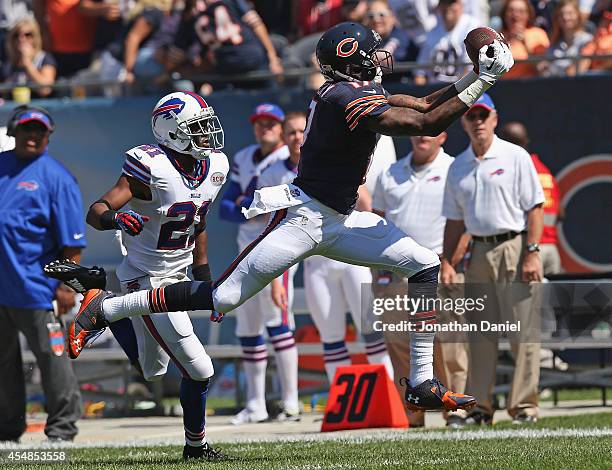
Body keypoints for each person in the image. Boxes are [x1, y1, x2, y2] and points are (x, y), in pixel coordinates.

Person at [54, 21, 514, 413]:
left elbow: (422, 106)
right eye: (371, 53)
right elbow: (424, 124)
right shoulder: (339, 97)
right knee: (223, 298)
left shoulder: (354, 91)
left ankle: (419, 382)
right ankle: (105, 307)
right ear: (350, 59)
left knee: (423, 265)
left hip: (340, 218)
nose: (379, 58)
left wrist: (473, 75)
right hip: (305, 218)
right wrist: (484, 80)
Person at [47, 91, 229, 460]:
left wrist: (203, 274)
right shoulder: (151, 166)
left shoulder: (215, 166)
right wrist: (116, 218)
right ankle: (196, 449)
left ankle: (102, 301)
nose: (207, 135)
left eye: (207, 126)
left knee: (152, 371)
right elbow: (96, 210)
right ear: (171, 131)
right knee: (199, 369)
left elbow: (199, 220)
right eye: (198, 127)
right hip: (144, 277)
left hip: (175, 276)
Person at [441, 94, 545, 425]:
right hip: (478, 252)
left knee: (523, 332)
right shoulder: (458, 165)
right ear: (463, 122)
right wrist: (447, 261)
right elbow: (454, 222)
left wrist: (532, 252)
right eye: (472, 116)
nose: (478, 122)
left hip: (515, 246)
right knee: (480, 334)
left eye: (483, 115)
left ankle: (524, 406)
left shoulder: (515, 156)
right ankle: (481, 407)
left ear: (495, 119)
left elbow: (535, 208)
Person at [372, 132, 470, 428]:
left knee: (448, 343)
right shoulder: (390, 173)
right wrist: (378, 271)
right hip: (400, 269)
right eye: (415, 131)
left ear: (443, 135)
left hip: (442, 267)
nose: (421, 136)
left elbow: (465, 222)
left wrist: (452, 261)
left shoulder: (454, 168)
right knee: (400, 342)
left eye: (429, 130)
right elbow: (377, 221)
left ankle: (455, 411)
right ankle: (413, 412)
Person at [0, 106, 84, 442]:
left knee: (53, 360)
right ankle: (7, 429)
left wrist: (66, 287)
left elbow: (72, 243)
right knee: (3, 365)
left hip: (38, 289)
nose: (32, 136)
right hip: (1, 290)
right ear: (13, 132)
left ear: (49, 136)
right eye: (26, 129)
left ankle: (63, 428)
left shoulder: (57, 178)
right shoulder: (1, 165)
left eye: (40, 131)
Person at [218, 103, 297, 425]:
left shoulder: (285, 159)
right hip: (244, 247)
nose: (264, 126)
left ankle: (291, 401)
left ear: (280, 129)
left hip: (278, 245)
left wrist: (244, 205)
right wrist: (245, 207)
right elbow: (227, 206)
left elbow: (261, 207)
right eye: (259, 122)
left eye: (271, 122)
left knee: (278, 321)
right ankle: (255, 404)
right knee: (247, 324)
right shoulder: (244, 156)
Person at [499, 121, 562, 275]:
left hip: (530, 248)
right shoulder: (544, 171)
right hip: (551, 250)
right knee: (554, 298)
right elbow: (560, 213)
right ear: (526, 141)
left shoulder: (515, 169)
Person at [414, 0, 479, 84]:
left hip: (461, 90)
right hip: (433, 91)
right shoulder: (432, 32)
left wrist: (455, 93)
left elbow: (471, 71)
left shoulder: (471, 27)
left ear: (461, 5)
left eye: (451, 3)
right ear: (438, 7)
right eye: (444, 3)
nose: (448, 7)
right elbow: (420, 74)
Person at [1, 18, 57, 98]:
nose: (21, 39)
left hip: (39, 108)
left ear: (35, 38)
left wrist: (27, 63)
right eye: (16, 35)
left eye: (27, 35)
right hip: (14, 108)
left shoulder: (44, 58)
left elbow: (45, 90)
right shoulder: (8, 63)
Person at [541, 0, 593, 77]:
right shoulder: (554, 42)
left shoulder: (587, 41)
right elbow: (545, 71)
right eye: (561, 14)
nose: (565, 17)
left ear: (578, 15)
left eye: (570, 13)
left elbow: (580, 69)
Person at [500, 0, 550, 79]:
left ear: (528, 14)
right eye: (511, 10)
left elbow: (543, 68)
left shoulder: (538, 34)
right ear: (505, 14)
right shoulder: (497, 36)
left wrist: (524, 43)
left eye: (521, 11)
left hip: (529, 85)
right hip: (501, 86)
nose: (515, 14)